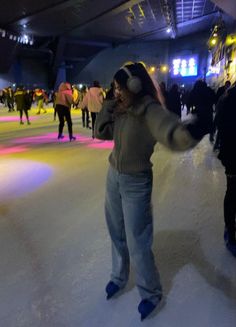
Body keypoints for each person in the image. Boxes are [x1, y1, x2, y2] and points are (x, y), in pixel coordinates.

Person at [95, 63, 208, 320]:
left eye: (119, 87)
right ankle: (118, 276)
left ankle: (151, 293)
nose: (117, 92)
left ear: (134, 85)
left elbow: (170, 131)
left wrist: (189, 133)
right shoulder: (122, 109)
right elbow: (101, 132)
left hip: (136, 183)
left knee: (138, 241)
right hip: (114, 176)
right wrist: (110, 103)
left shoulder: (149, 110)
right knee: (116, 231)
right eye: (115, 88)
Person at [214, 82, 236, 256]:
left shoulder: (227, 96)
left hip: (230, 153)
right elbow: (222, 125)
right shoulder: (230, 98)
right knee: (233, 192)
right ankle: (230, 231)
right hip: (234, 155)